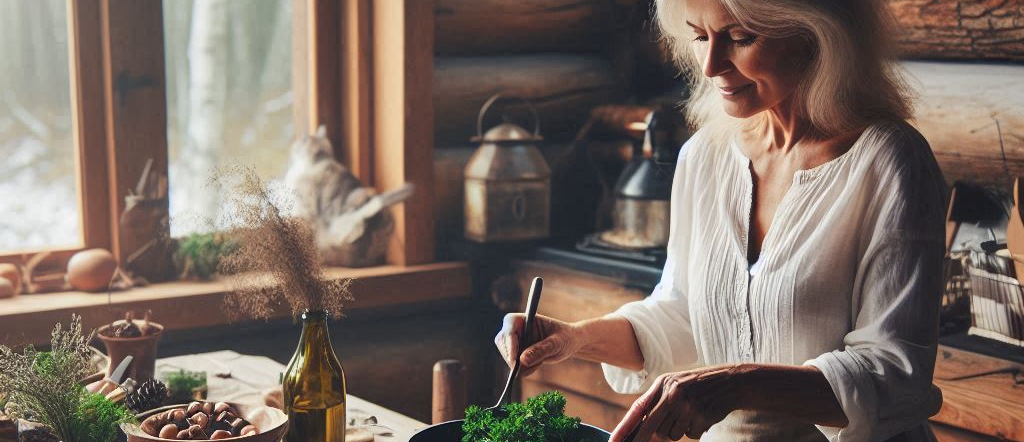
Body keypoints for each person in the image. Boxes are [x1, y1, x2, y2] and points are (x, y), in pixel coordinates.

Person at [493, 0, 947, 441]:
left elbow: (893, 373)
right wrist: (573, 339)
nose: (710, 65)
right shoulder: (705, 156)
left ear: (817, 35)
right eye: (698, 35)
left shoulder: (889, 162)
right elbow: (682, 314)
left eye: (740, 37)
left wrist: (737, 383)